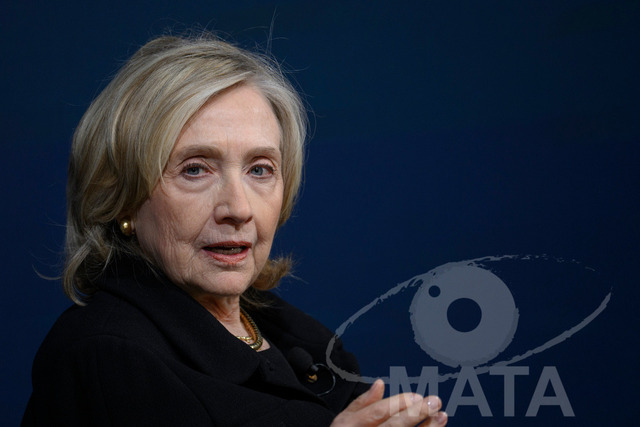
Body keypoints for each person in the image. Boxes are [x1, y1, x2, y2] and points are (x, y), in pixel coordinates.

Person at [23, 33, 448, 426]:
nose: (239, 209)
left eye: (259, 169)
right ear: (122, 198)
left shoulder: (291, 332)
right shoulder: (106, 356)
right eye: (195, 170)